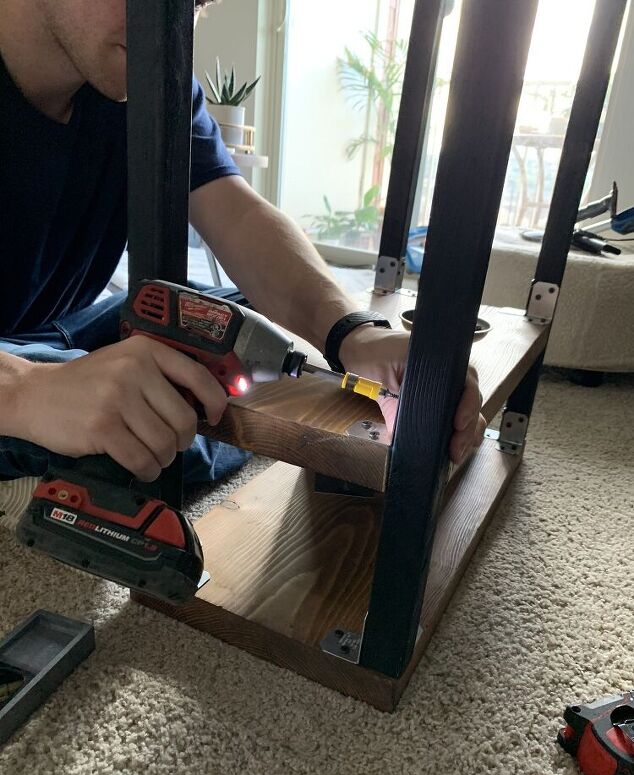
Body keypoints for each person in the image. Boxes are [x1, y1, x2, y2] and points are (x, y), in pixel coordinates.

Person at [0, 0, 485, 498]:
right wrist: (26, 391)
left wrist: (351, 335)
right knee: (134, 417)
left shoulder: (153, 77)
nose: (176, 21)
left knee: (252, 333)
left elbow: (239, 215)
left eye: (198, 2)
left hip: (61, 329)